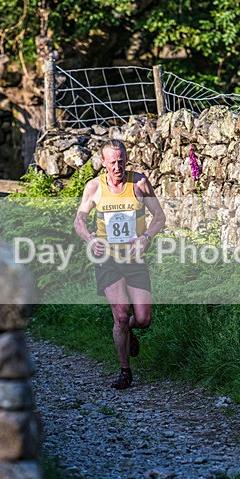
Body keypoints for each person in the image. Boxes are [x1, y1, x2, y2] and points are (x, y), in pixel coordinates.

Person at [74, 139, 166, 389]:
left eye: (122, 160)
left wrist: (146, 237)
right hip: (107, 260)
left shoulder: (139, 183)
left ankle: (128, 331)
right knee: (122, 313)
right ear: (103, 163)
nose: (118, 166)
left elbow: (159, 217)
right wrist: (90, 239)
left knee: (144, 318)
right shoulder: (94, 187)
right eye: (113, 161)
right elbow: (79, 221)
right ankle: (125, 371)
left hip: (134, 258)